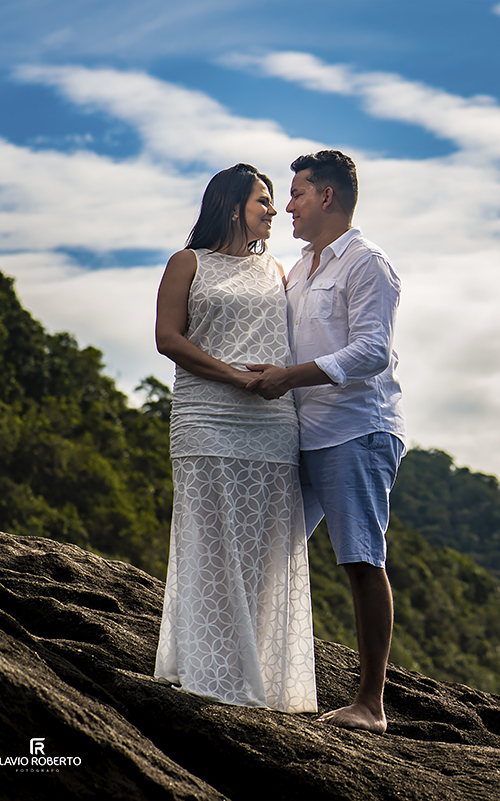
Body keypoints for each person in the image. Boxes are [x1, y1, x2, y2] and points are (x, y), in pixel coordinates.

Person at [245, 150, 404, 734]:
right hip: (301, 431)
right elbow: (287, 347)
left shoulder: (367, 264)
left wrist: (288, 376)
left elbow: (371, 353)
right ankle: (253, 674)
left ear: (327, 197)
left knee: (361, 558)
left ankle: (371, 705)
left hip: (356, 429)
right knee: (269, 548)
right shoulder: (300, 268)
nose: (288, 205)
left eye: (297, 194)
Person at [153, 163, 317, 714]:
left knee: (263, 552)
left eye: (275, 201)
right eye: (263, 200)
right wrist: (234, 376)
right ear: (231, 206)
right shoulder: (187, 263)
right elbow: (168, 338)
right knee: (210, 544)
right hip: (206, 418)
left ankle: (259, 679)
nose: (274, 210)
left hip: (272, 424)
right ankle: (209, 672)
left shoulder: (279, 271)